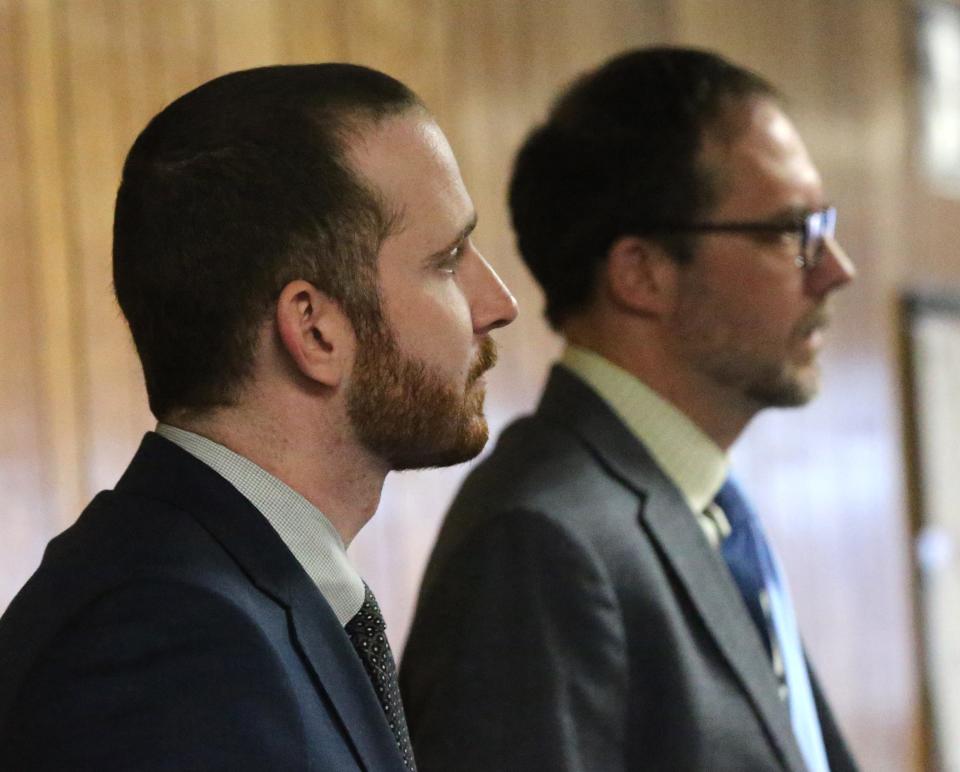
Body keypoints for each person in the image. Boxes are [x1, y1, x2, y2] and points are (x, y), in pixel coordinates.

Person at [0, 63, 516, 770]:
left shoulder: (222, 597)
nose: (498, 303)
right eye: (449, 259)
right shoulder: (168, 644)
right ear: (314, 331)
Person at [400, 47, 859, 772]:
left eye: (824, 226)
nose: (836, 270)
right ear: (642, 273)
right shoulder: (543, 543)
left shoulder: (707, 514)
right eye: (788, 233)